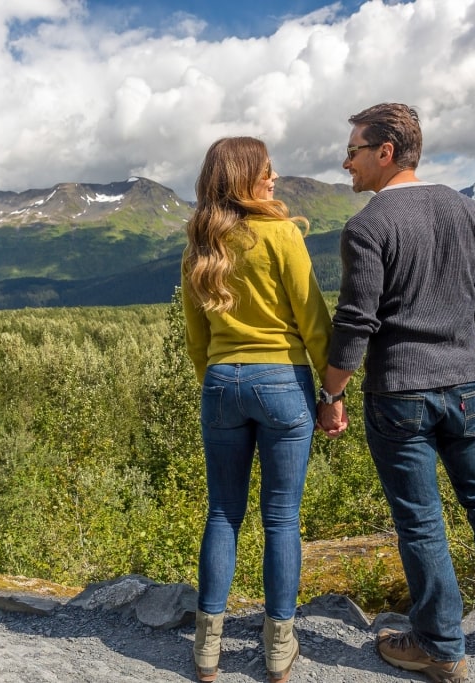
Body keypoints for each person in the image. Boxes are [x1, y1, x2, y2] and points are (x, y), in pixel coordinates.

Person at [315, 103, 475, 683]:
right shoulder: (471, 213)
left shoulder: (369, 227)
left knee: (421, 522)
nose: (345, 162)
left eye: (353, 150)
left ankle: (441, 646)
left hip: (399, 393)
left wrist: (331, 393)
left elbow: (356, 321)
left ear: (386, 152)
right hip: (466, 387)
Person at [181, 136, 341, 683]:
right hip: (283, 382)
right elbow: (314, 322)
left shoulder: (201, 244)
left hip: (222, 380)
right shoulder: (282, 235)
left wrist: (220, 383)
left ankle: (206, 652)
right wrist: (332, 393)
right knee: (281, 518)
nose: (274, 180)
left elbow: (195, 337)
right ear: (245, 178)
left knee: (223, 512)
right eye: (267, 173)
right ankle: (278, 649)